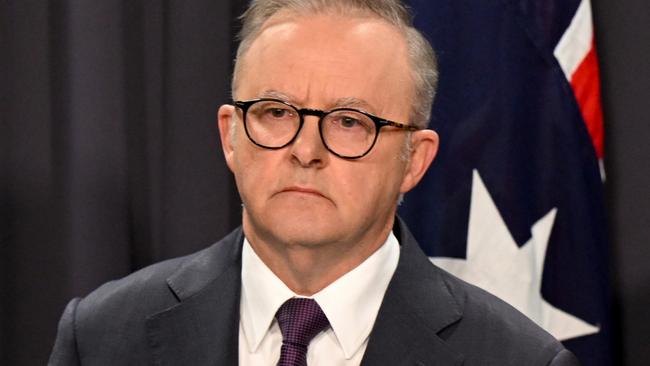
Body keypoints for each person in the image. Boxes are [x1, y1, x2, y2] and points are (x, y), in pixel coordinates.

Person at [49, 0, 580, 365]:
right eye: (276, 113)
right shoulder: (102, 336)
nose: (306, 151)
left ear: (414, 161)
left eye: (350, 122)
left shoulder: (517, 358)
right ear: (231, 136)